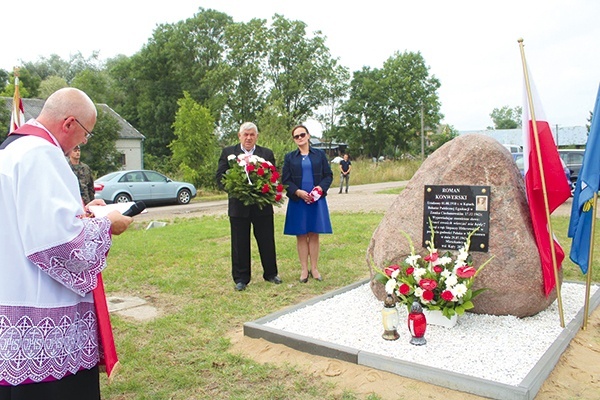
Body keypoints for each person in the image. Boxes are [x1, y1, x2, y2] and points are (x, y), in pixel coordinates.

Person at [0, 87, 133, 400]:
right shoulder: (42, 155)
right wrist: (106, 223)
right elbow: (59, 246)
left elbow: (29, 224)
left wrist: (82, 215)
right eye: (86, 132)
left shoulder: (10, 152)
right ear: (69, 123)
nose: (84, 141)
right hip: (44, 316)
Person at [216, 122, 282, 291]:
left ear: (256, 137)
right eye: (245, 134)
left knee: (267, 240)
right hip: (239, 207)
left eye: (252, 134)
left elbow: (274, 177)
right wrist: (239, 189)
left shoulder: (266, 154)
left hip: (262, 206)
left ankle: (271, 274)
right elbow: (220, 178)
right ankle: (241, 278)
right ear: (239, 136)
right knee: (239, 243)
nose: (248, 137)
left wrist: (262, 190)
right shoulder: (228, 153)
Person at [282, 125, 333, 283]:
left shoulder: (319, 155)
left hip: (316, 200)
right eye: (296, 136)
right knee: (301, 235)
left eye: (302, 134)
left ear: (308, 135)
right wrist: (297, 191)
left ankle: (315, 268)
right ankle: (304, 269)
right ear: (294, 140)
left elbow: (328, 176)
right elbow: (286, 180)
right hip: (299, 201)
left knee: (314, 234)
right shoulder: (290, 157)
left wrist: (320, 188)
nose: (299, 138)